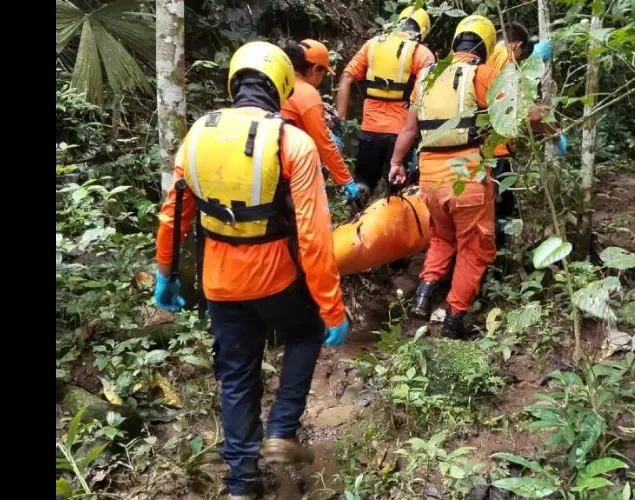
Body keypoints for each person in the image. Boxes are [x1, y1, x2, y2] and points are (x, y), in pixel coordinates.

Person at [153, 41, 349, 500]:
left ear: (234, 82)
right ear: (281, 85)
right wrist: (332, 307)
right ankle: (281, 429)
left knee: (238, 376)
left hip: (220, 285)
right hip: (277, 279)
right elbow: (314, 235)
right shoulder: (292, 142)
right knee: (306, 333)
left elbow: (173, 214)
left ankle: (242, 481)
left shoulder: (198, 134)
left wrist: (165, 273)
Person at [387, 15, 557, 339]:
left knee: (441, 237)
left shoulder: (426, 76)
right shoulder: (483, 75)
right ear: (487, 45)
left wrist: (396, 163)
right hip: (466, 178)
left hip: (429, 181)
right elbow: (526, 114)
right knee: (474, 248)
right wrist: (556, 130)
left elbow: (409, 128)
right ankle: (454, 320)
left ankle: (424, 291)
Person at [336, 6, 435, 199]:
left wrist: (341, 118)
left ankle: (354, 224)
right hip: (401, 134)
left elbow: (346, 77)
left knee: (362, 186)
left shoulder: (372, 45)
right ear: (422, 31)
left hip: (369, 130)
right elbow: (426, 93)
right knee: (399, 192)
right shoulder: (422, 53)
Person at [486, 22, 567, 249]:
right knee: (499, 216)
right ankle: (496, 269)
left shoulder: (482, 57)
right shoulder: (507, 61)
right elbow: (529, 114)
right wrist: (555, 135)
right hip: (495, 155)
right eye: (523, 55)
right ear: (518, 46)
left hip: (467, 151)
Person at [279, 38, 364, 209]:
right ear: (315, 69)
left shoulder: (278, 84)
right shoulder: (307, 95)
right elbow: (324, 144)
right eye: (323, 73)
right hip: (292, 168)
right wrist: (346, 181)